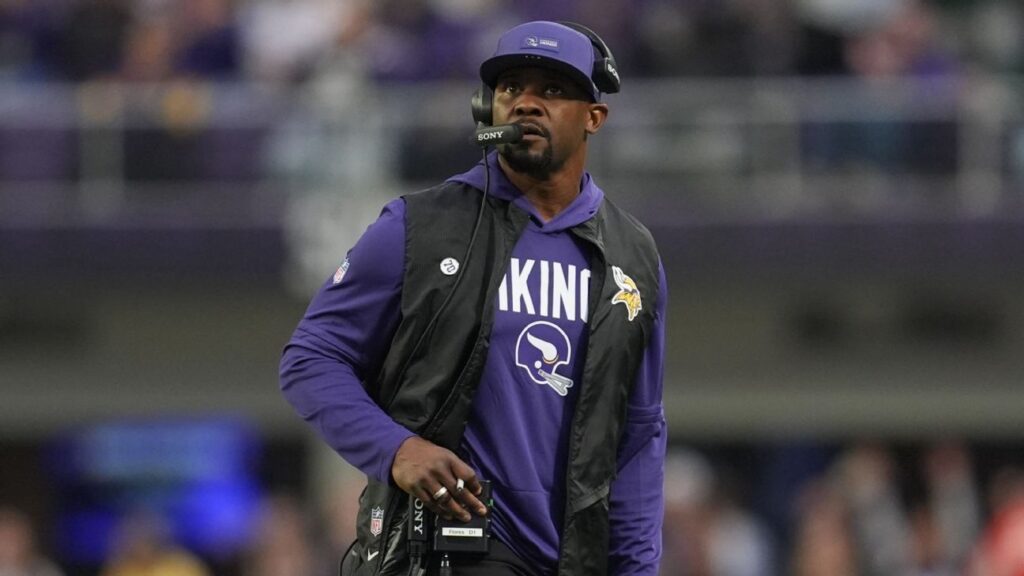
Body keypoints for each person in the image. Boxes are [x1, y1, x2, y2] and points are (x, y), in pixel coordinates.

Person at [280, 20, 667, 575]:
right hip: (452, 549)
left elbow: (638, 430)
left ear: (593, 117)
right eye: (511, 89)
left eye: (552, 91)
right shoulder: (418, 226)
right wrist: (397, 450)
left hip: (571, 558)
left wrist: (636, 568)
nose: (526, 103)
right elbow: (310, 359)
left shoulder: (632, 256)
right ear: (487, 108)